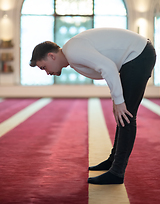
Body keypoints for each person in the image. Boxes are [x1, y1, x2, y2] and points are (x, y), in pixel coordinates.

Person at [30, 28, 156, 185]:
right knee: (122, 113)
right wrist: (117, 100)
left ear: (51, 56)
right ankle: (112, 161)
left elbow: (108, 67)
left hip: (138, 55)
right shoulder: (72, 53)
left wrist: (119, 101)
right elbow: (109, 68)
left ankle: (117, 172)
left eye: (43, 67)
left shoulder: (73, 52)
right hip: (134, 56)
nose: (46, 72)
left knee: (127, 115)